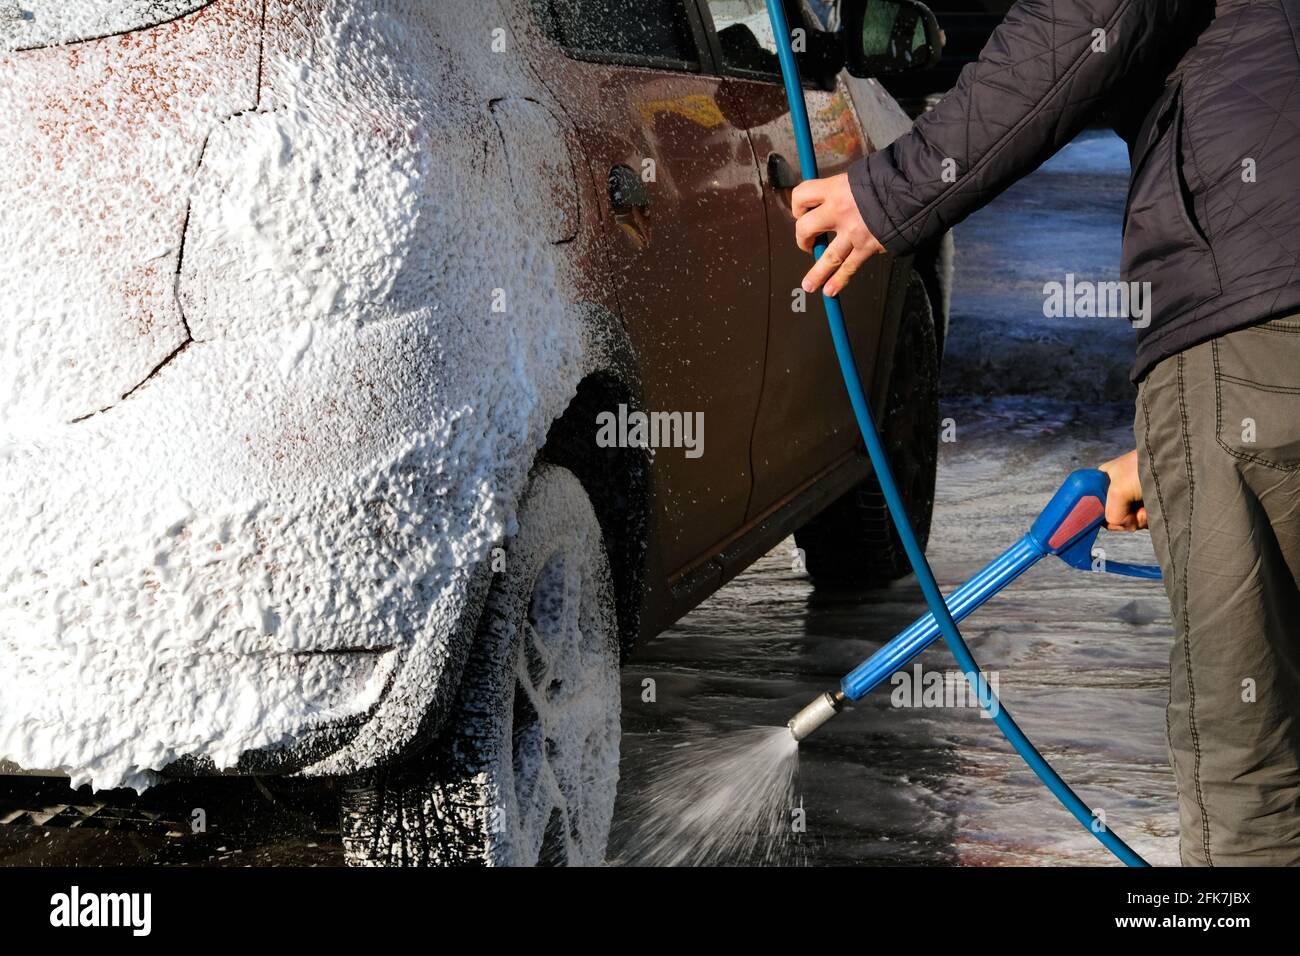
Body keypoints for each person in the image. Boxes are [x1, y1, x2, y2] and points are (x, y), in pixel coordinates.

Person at [793, 0, 1300, 865]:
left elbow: (1088, 19)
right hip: (1263, 346)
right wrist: (1186, 440)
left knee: (1250, 774)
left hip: (1256, 309)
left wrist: (891, 190)